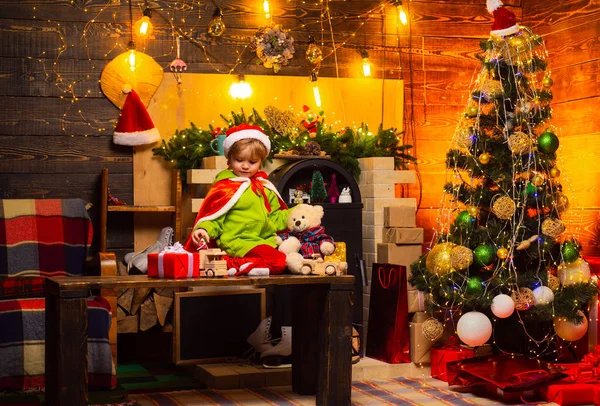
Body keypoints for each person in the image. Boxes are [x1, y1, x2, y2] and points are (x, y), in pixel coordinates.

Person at [183, 123, 291, 276]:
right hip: (237, 241)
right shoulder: (226, 187)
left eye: (252, 162)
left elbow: (274, 217)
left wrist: (296, 213)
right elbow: (214, 216)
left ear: (261, 163)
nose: (245, 166)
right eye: (239, 160)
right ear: (229, 160)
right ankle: (228, 263)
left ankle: (237, 265)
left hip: (262, 241)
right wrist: (204, 229)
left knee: (289, 259)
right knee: (278, 261)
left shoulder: (264, 187)